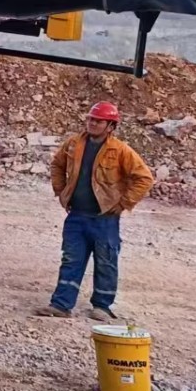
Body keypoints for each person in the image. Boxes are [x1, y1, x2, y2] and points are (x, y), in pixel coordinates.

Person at [36, 100, 154, 323]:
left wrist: (124, 203)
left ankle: (102, 306)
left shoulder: (120, 150)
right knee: (71, 259)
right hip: (77, 215)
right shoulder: (73, 144)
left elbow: (144, 178)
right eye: (91, 119)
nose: (92, 123)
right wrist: (61, 191)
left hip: (105, 218)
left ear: (110, 126)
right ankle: (61, 304)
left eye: (98, 121)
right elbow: (57, 165)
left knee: (106, 261)